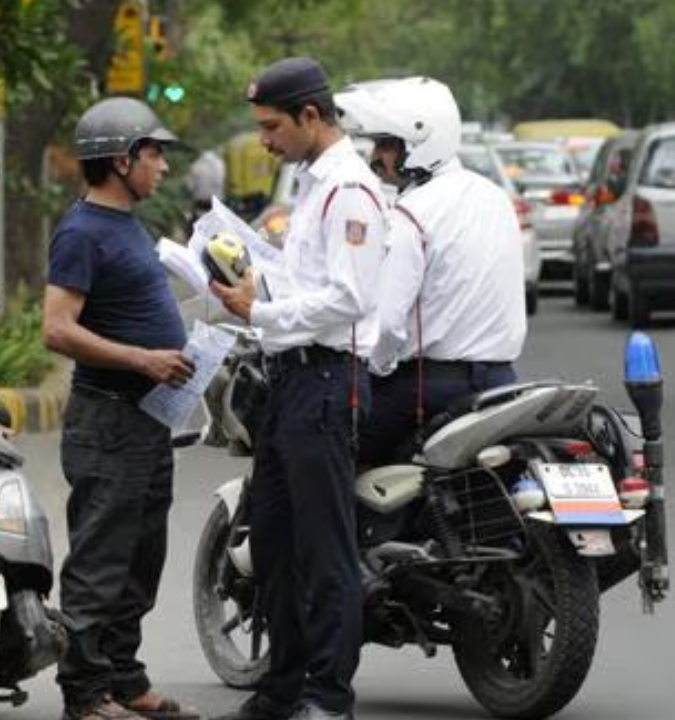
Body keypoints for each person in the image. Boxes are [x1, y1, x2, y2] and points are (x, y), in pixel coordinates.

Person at [210, 57, 387, 720]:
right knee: (275, 544)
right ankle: (281, 686)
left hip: (326, 380)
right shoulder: (313, 184)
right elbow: (308, 278)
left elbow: (348, 298)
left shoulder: (350, 191)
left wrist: (260, 311)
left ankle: (327, 696)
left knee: (324, 549)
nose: (264, 141)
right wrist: (255, 276)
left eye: (272, 126)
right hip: (288, 380)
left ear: (311, 115)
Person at [43, 96, 199, 720]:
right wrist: (143, 360)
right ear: (119, 160)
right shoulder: (81, 231)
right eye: (153, 153)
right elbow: (57, 329)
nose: (162, 166)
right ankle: (84, 694)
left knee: (142, 556)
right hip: (107, 419)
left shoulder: (126, 223)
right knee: (100, 560)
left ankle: (125, 679)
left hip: (146, 419)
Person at [345, 77, 527, 467]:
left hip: (427, 388)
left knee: (333, 452)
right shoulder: (495, 198)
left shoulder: (414, 212)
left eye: (386, 145)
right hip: (502, 382)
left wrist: (370, 369)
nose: (376, 156)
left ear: (418, 143)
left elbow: (390, 324)